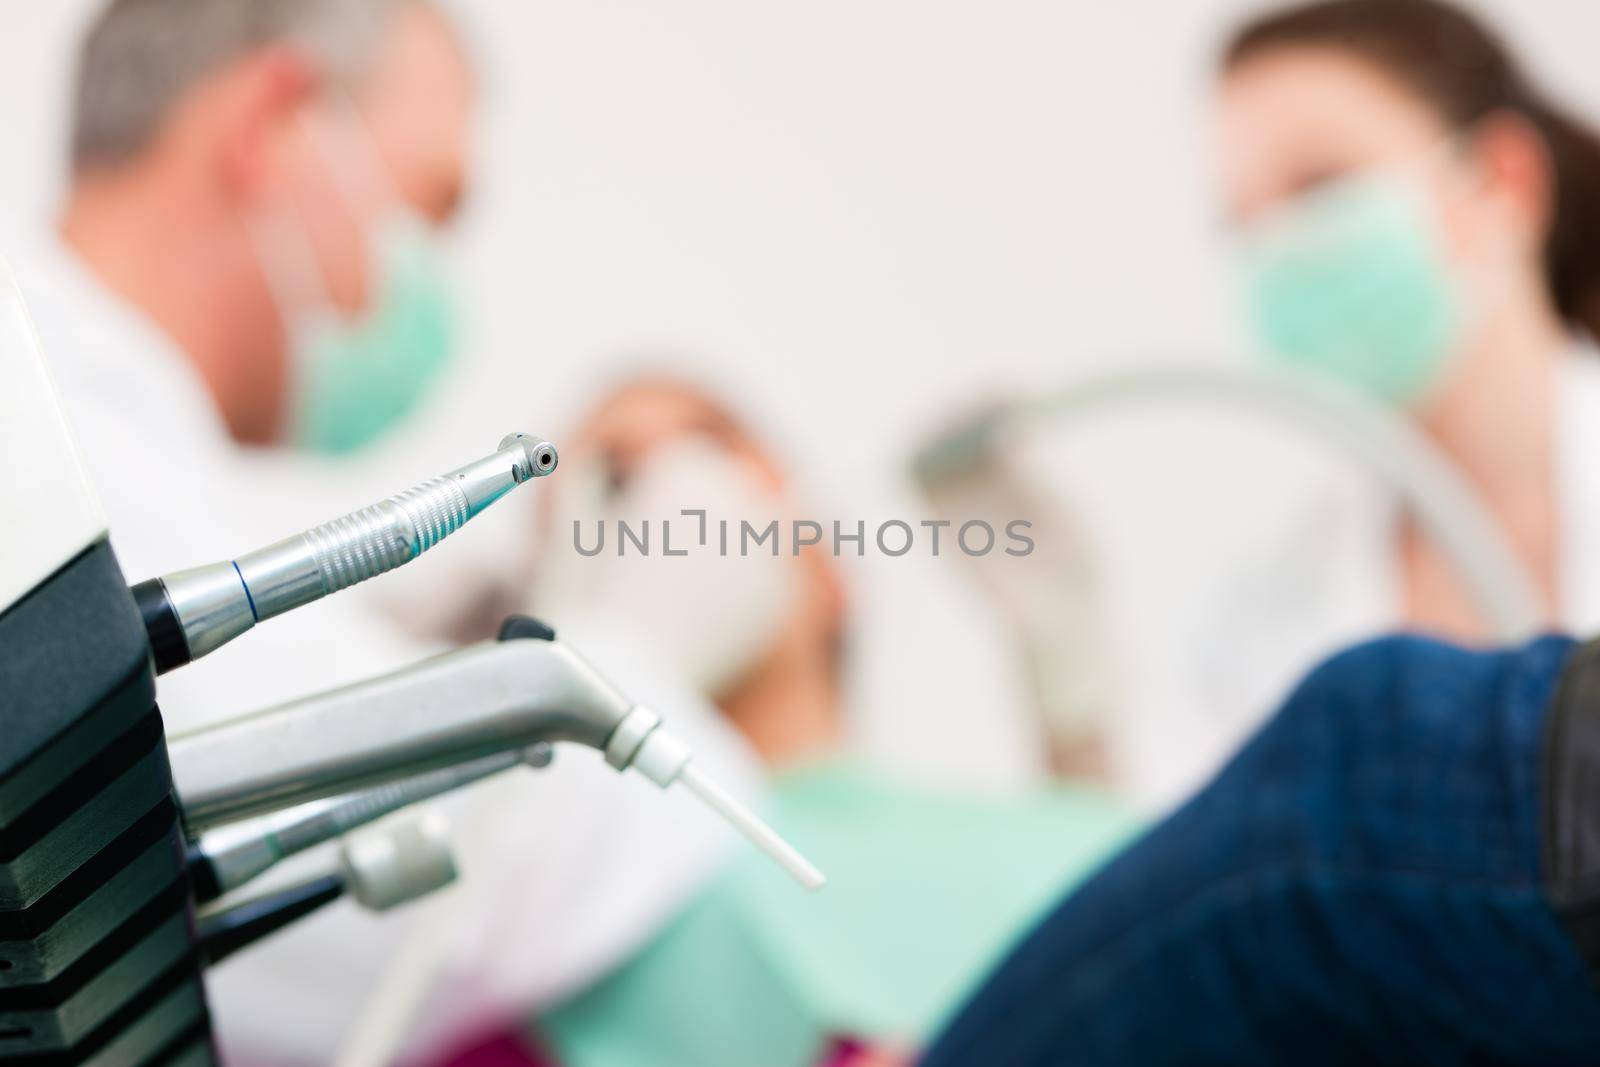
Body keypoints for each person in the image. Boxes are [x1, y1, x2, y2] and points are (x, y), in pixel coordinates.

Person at [17, 2, 764, 1063]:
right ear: (273, 127)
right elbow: (379, 891)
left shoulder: (109, 440)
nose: (428, 284)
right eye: (428, 206)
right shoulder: (49, 442)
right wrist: (633, 663)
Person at [932, 0, 1600, 810]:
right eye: (1243, 223)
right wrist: (1068, 678)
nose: (1279, 250)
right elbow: (1173, 894)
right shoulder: (1272, 606)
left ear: (1501, 181)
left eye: (1319, 185)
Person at [509, 379, 1139, 1067]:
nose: (680, 502)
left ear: (829, 564)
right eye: (621, 482)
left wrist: (1080, 727)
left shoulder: (1055, 841)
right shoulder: (556, 958)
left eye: (707, 449)